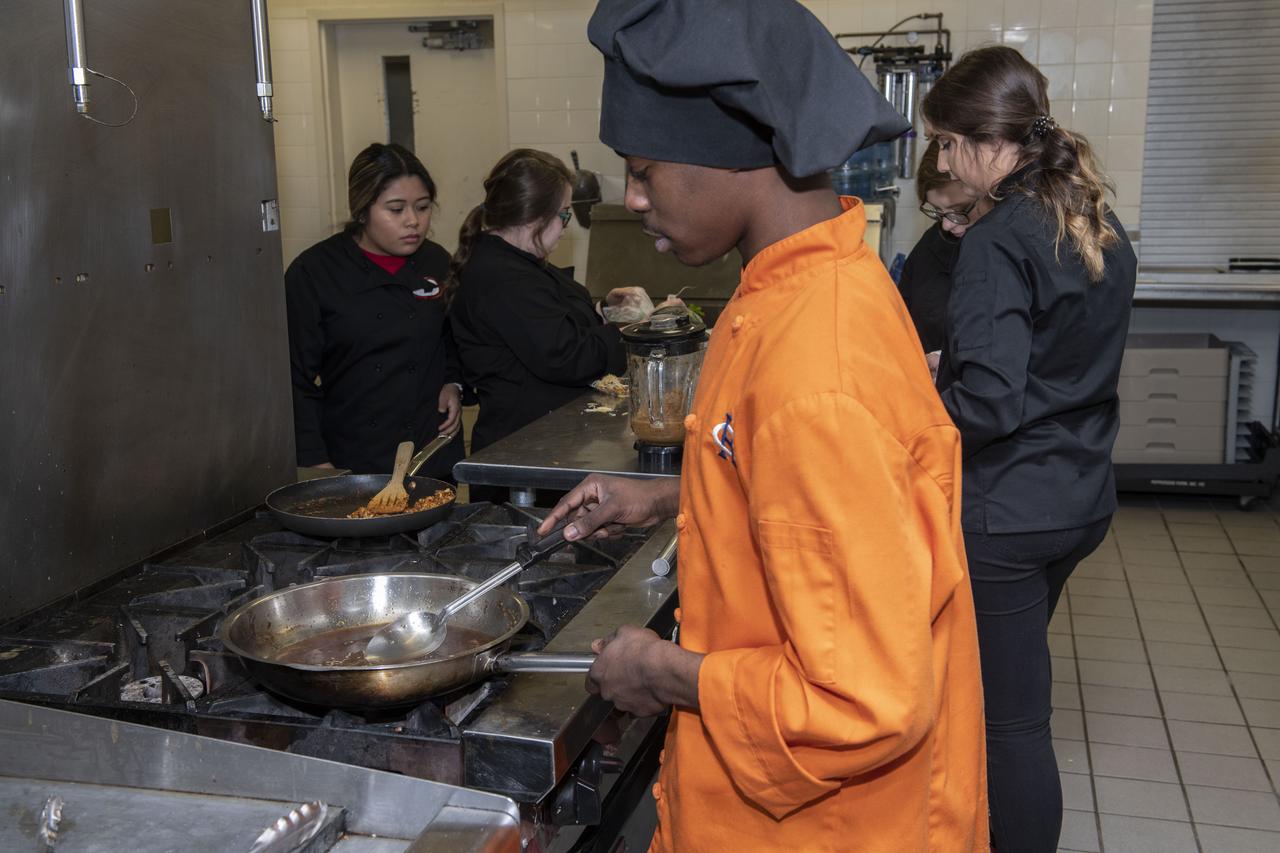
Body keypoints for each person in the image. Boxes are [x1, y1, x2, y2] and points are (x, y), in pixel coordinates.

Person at [537, 2, 988, 850]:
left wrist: (660, 671)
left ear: (735, 157)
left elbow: (863, 700)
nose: (634, 200)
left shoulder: (815, 371)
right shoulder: (806, 279)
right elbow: (817, 498)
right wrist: (676, 491)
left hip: (834, 828)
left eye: (643, 170)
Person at [922, 45, 1138, 853]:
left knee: (1008, 724)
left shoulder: (997, 238)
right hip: (1080, 497)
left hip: (1008, 515)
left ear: (984, 139)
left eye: (945, 142)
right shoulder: (1092, 217)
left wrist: (916, 400)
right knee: (1003, 698)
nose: (941, 160)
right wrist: (968, 363)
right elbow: (1062, 352)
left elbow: (987, 404)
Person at [284, 142, 464, 477]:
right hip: (354, 456)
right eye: (396, 209)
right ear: (362, 210)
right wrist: (314, 460)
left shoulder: (437, 261)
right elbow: (295, 380)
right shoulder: (314, 273)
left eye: (423, 207)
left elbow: (453, 338)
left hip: (431, 448)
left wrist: (454, 382)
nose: (413, 221)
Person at [448, 149, 633, 459]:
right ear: (532, 215)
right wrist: (627, 333)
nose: (565, 226)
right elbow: (565, 355)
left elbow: (549, 322)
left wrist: (602, 311)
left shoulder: (520, 264)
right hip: (521, 447)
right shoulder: (503, 276)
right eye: (563, 215)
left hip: (548, 440)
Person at [897, 140, 992, 359]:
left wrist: (950, 366)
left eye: (959, 210)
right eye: (938, 211)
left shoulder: (1013, 250)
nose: (948, 225)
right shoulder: (929, 247)